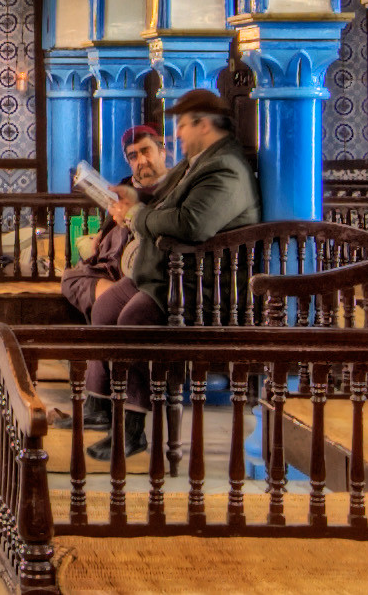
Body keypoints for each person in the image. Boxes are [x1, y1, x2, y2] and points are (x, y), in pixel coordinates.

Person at [84, 89, 259, 460]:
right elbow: (163, 201)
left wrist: (138, 217)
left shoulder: (225, 168)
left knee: (133, 320)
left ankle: (132, 430)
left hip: (198, 286)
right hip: (164, 276)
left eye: (182, 125)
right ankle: (99, 408)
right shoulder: (197, 162)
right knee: (104, 309)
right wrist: (134, 201)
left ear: (204, 124)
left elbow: (192, 223)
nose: (177, 134)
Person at [50, 126, 170, 431]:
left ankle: (99, 406)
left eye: (146, 152)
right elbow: (106, 231)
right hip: (109, 267)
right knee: (73, 278)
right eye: (133, 156)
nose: (141, 161)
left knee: (106, 307)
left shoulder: (173, 189)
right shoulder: (125, 186)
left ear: (162, 151)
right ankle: (97, 404)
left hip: (144, 275)